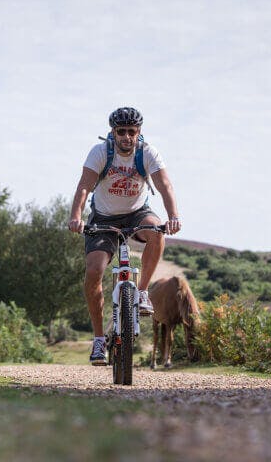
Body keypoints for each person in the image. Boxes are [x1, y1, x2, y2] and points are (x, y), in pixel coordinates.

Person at [68, 107, 181, 365]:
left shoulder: (148, 153)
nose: (127, 137)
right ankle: (99, 340)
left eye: (132, 131)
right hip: (104, 218)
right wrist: (76, 216)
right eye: (122, 132)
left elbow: (165, 186)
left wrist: (173, 216)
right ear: (113, 132)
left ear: (139, 132)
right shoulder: (100, 153)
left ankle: (141, 293)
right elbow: (84, 186)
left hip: (137, 213)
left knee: (156, 232)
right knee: (94, 271)